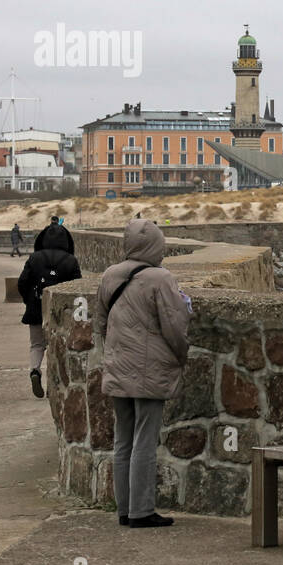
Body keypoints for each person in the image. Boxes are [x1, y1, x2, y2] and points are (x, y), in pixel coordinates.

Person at [95, 220, 190, 528]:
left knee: (123, 440)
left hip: (118, 368)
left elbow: (99, 324)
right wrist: (181, 356)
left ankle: (124, 509)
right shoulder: (160, 278)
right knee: (144, 442)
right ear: (155, 247)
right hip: (149, 372)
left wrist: (108, 359)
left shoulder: (110, 274)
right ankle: (142, 511)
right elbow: (175, 327)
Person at [17, 224, 81, 398]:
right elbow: (77, 288)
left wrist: (28, 301)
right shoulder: (70, 260)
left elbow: (22, 282)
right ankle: (56, 382)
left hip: (36, 309)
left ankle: (35, 371)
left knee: (37, 344)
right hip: (61, 313)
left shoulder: (34, 258)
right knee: (59, 346)